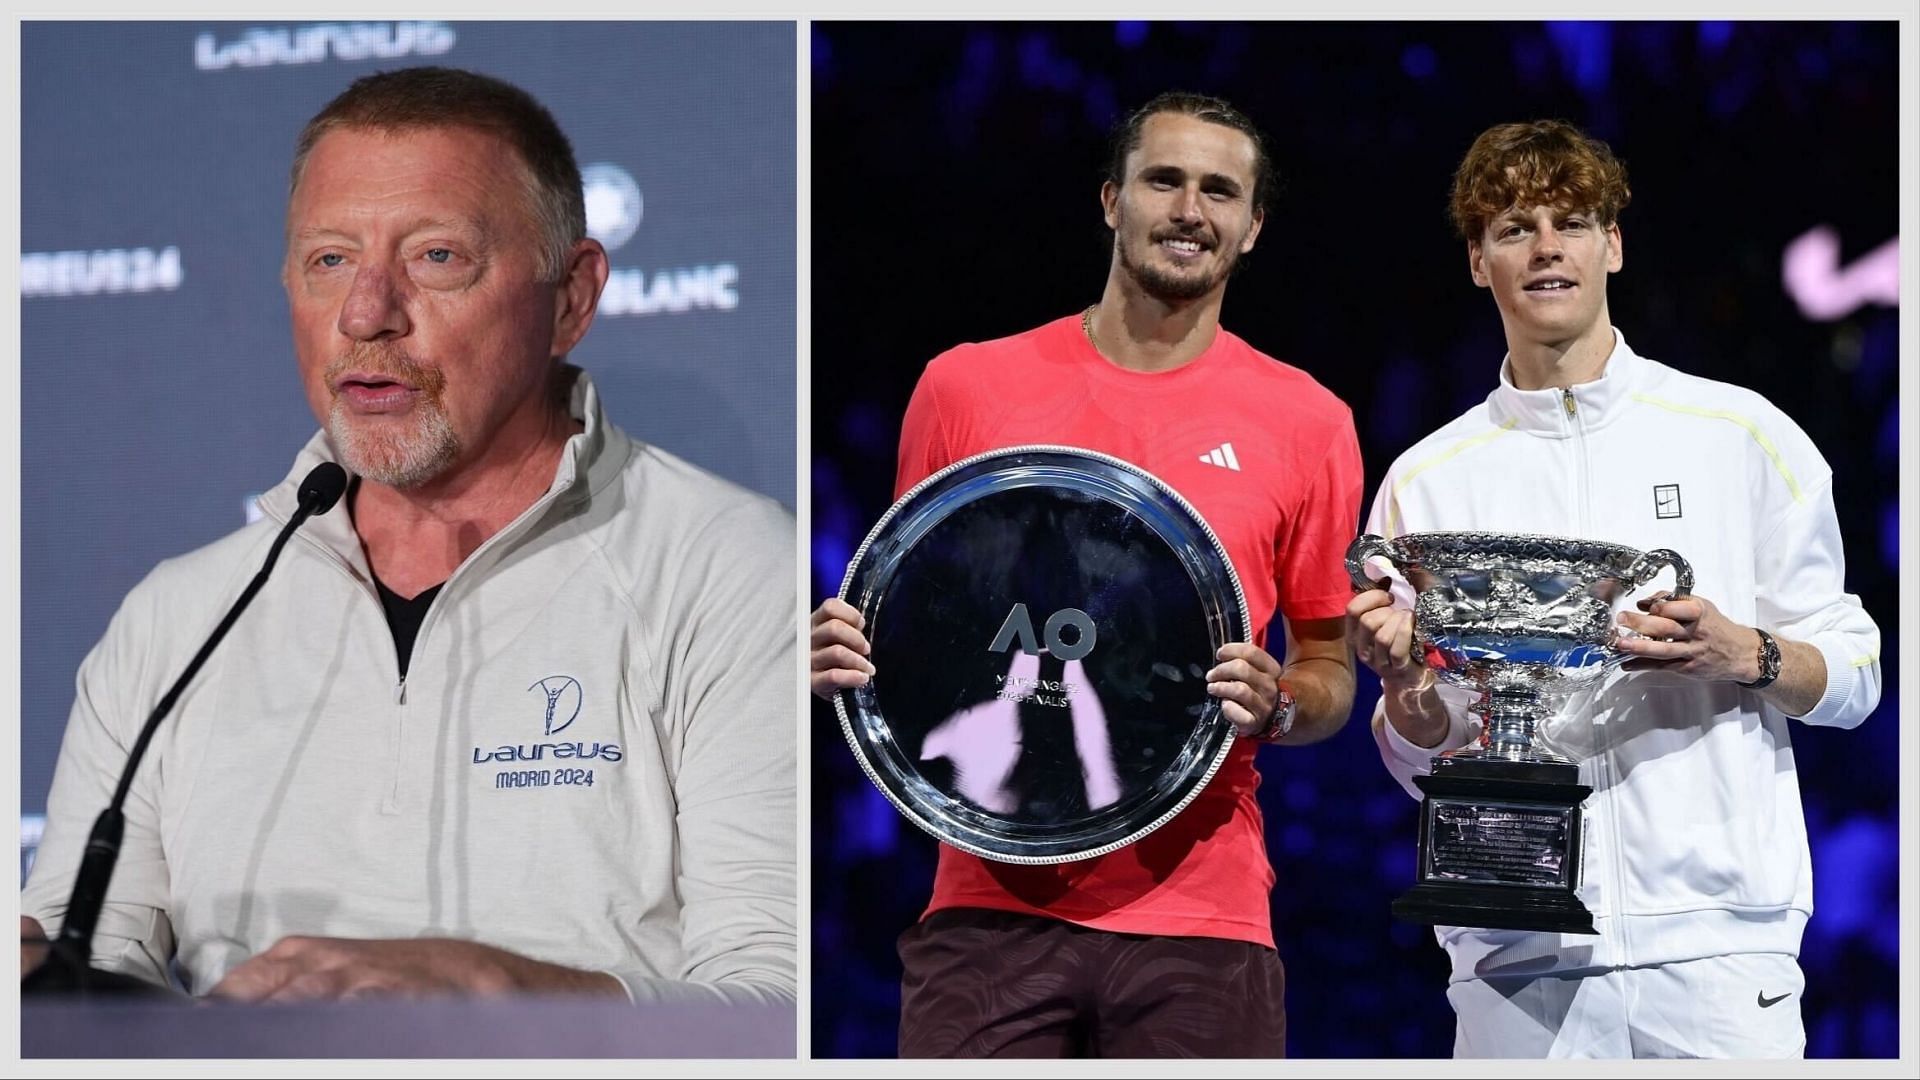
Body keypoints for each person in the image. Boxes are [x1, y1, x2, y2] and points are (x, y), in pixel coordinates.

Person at [20, 67, 795, 1006]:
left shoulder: (733, 570)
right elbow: (81, 986)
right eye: (329, 261)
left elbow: (779, 999)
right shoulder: (178, 620)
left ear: (571, 297)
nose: (364, 314)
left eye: (435, 257)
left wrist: (496, 996)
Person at [810, 91, 1362, 1057]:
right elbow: (914, 621)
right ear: (1112, 199)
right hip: (988, 905)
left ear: (1253, 226)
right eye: (1164, 180)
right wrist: (850, 652)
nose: (1190, 209)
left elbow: (1329, 667)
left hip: (1202, 919)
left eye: (1220, 190)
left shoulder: (1309, 421)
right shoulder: (966, 388)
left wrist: (1282, 701)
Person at [1348, 119, 1881, 1058]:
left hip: (1719, 947)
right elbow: (1419, 760)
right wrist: (1405, 698)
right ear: (1479, 262)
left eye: (1572, 221)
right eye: (1514, 227)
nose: (1547, 245)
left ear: (1614, 245)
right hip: (1515, 954)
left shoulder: (1738, 434)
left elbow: (1856, 673)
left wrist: (1743, 652)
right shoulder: (1428, 481)